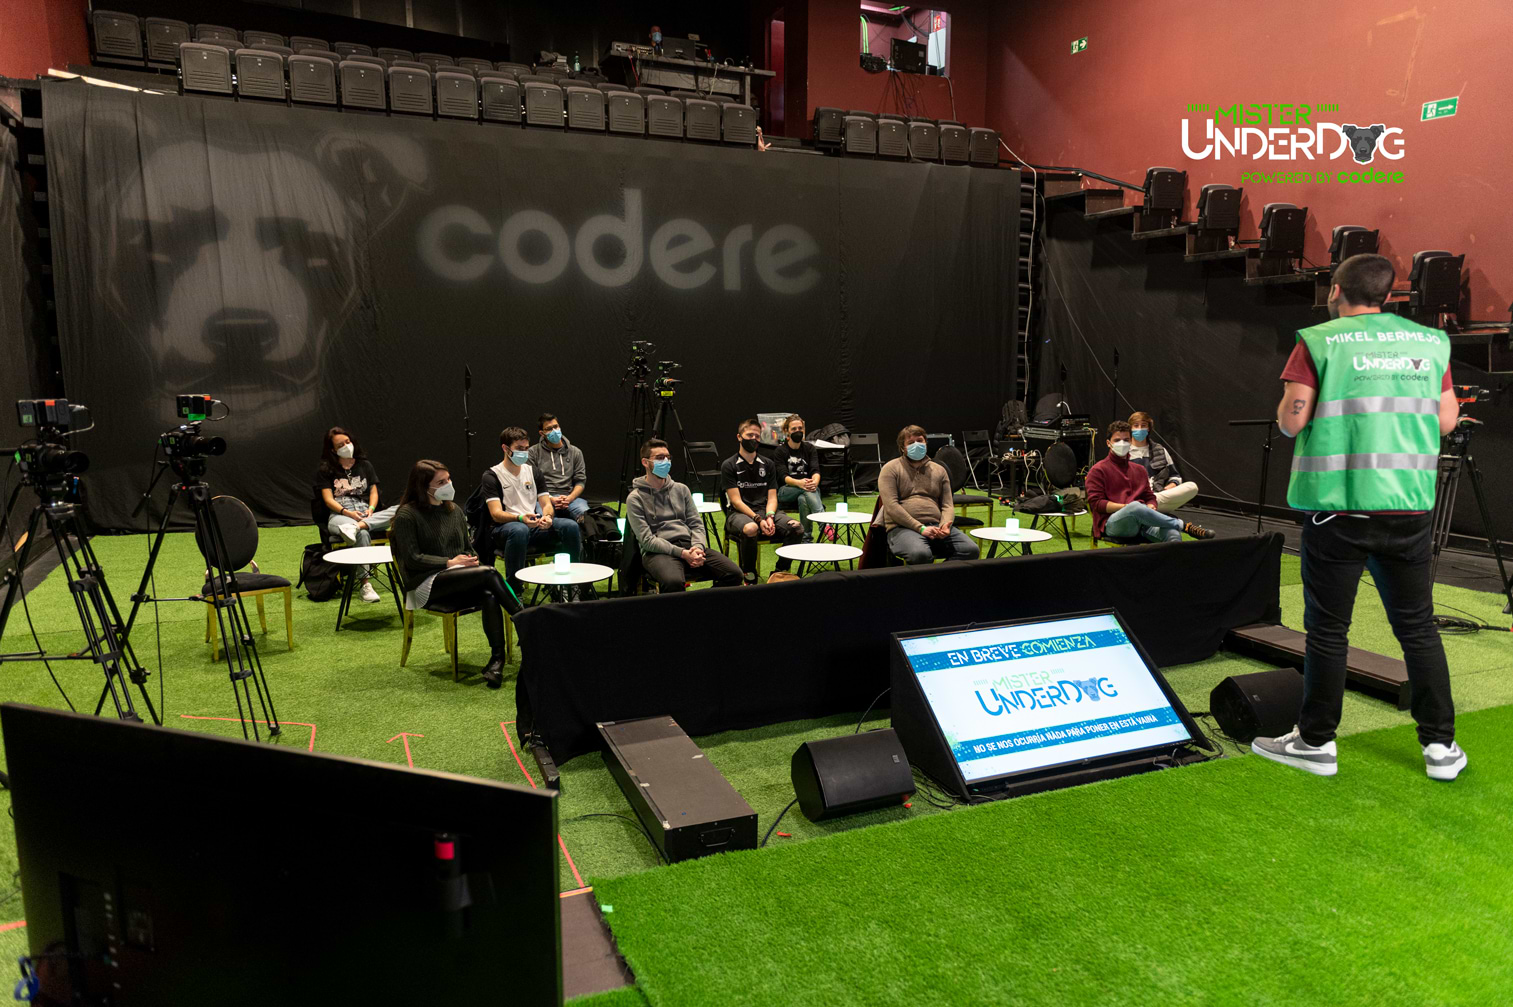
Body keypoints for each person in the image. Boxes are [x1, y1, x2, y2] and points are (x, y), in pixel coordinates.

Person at [1251, 253, 1464, 781]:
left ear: (1335, 290)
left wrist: (1292, 409)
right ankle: (1440, 748)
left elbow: (1291, 421)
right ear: (1389, 295)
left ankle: (1316, 743)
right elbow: (1445, 421)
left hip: (1338, 510)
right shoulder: (1429, 342)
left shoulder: (1319, 341)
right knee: (1417, 628)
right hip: (1407, 507)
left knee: (1328, 631)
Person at [389, 459, 522, 689]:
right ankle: (526, 620)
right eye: (441, 482)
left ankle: (496, 661)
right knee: (490, 573)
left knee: (489, 594)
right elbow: (412, 559)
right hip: (423, 584)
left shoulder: (454, 510)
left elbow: (468, 548)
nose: (448, 485)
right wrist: (449, 563)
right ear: (423, 486)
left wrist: (471, 560)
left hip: (456, 577)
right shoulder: (407, 516)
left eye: (448, 479)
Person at [626, 438, 743, 592]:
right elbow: (647, 541)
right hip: (657, 552)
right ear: (645, 462)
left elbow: (696, 524)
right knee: (673, 582)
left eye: (668, 457)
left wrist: (697, 548)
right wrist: (682, 554)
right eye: (660, 458)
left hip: (689, 545)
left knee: (734, 574)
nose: (666, 462)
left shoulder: (681, 489)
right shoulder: (635, 498)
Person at [481, 427, 583, 597]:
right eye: (519, 448)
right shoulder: (492, 475)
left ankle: (570, 586)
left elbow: (546, 503)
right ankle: (514, 591)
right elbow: (495, 513)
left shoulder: (533, 472)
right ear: (505, 448)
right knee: (519, 529)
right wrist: (520, 517)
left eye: (526, 448)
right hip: (504, 529)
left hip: (532, 525)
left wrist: (548, 517)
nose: (524, 452)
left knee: (570, 526)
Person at [1085, 421, 1215, 544]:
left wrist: (1151, 505)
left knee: (1172, 534)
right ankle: (1184, 526)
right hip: (1113, 524)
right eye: (1117, 440)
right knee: (1135, 507)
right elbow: (1097, 504)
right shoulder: (1098, 470)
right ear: (1109, 443)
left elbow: (1149, 497)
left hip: (1143, 522)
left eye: (1126, 440)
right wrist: (1127, 508)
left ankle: (1174, 558)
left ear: (1131, 442)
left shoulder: (1139, 470)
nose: (1122, 443)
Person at [316, 426, 398, 603]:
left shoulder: (365, 465)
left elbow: (374, 492)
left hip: (365, 512)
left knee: (400, 510)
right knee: (362, 534)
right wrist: (348, 513)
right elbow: (328, 500)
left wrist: (371, 509)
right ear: (333, 450)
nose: (347, 446)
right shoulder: (326, 469)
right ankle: (365, 585)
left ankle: (356, 527)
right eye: (340, 445)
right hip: (340, 515)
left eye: (348, 442)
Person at [878, 425, 978, 564]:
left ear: (926, 442)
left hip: (936, 525)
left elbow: (947, 505)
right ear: (902, 448)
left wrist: (945, 525)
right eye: (911, 442)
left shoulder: (939, 470)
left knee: (970, 550)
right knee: (920, 554)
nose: (916, 445)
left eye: (920, 440)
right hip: (902, 527)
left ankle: (938, 576)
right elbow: (891, 506)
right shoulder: (890, 468)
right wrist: (921, 528)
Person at [720, 418, 803, 580]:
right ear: (739, 437)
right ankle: (749, 575)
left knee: (797, 528)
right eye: (749, 435)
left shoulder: (768, 464)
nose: (754, 439)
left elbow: (772, 497)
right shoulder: (729, 465)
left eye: (757, 436)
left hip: (766, 511)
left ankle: (780, 571)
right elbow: (736, 501)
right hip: (738, 514)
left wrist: (770, 516)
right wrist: (758, 519)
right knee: (751, 528)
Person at [1127, 411, 1199, 512]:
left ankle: (1149, 506)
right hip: (1134, 498)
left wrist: (1169, 488)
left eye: (1143, 425)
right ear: (1130, 428)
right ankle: (1146, 507)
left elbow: (1175, 477)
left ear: (1148, 428)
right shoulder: (1123, 451)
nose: (1139, 429)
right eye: (1136, 425)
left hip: (1158, 496)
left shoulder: (1160, 450)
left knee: (1192, 487)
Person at [527, 413, 588, 520]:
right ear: (542, 433)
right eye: (549, 429)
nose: (554, 431)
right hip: (544, 498)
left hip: (570, 498)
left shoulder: (576, 452)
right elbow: (530, 482)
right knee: (543, 518)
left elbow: (580, 481)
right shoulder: (533, 452)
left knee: (587, 516)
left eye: (556, 426)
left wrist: (570, 498)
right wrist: (550, 499)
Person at [774, 414, 824, 542]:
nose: (798, 431)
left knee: (803, 498)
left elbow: (815, 470)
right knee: (807, 490)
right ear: (787, 431)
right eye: (794, 429)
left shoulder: (809, 448)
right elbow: (783, 476)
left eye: (800, 428)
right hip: (785, 490)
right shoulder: (780, 451)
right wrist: (800, 483)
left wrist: (815, 482)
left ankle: (806, 539)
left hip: (806, 488)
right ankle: (824, 524)